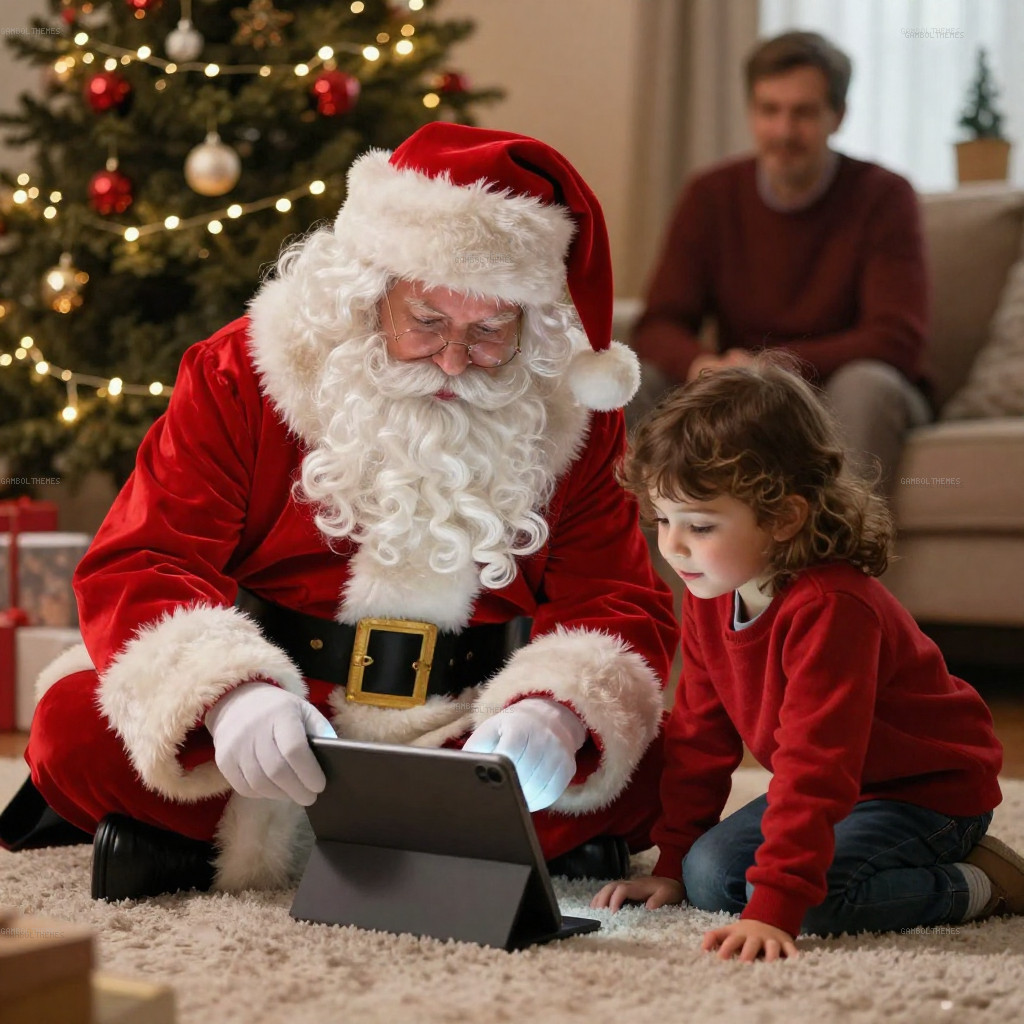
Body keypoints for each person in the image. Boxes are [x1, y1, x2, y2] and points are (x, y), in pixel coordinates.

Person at [0, 123, 680, 901]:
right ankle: (469, 845)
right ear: (369, 290)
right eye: (427, 321)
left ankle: (194, 848)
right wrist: (229, 696)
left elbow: (615, 598)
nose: (454, 359)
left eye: (491, 331)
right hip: (278, 713)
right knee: (74, 731)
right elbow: (144, 558)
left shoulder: (572, 412)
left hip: (465, 722)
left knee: (653, 760)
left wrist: (553, 716)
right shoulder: (242, 370)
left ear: (530, 322)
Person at [592, 359, 1024, 961]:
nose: (674, 546)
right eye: (664, 519)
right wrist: (671, 862)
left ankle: (980, 883)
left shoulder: (834, 608)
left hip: (928, 794)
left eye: (701, 526)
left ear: (783, 518)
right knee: (707, 876)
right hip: (845, 791)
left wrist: (776, 905)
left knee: (806, 905)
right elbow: (698, 738)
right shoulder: (711, 593)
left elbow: (817, 764)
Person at [629, 30, 932, 494]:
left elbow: (896, 337)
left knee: (865, 385)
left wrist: (771, 367)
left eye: (803, 113)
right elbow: (658, 324)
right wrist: (704, 367)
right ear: (751, 111)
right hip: (741, 391)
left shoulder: (884, 196)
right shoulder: (710, 195)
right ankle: (642, 542)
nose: (784, 132)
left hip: (837, 388)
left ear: (838, 116)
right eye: (769, 110)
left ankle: (843, 541)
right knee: (636, 379)